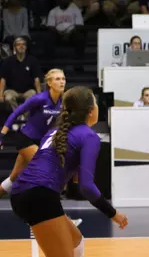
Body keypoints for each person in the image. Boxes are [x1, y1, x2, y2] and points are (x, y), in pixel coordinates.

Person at [10, 86, 128, 257]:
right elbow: (86, 187)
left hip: (24, 192)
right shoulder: (89, 136)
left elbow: (62, 168)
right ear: (90, 111)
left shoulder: (55, 131)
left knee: (76, 242)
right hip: (39, 195)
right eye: (95, 103)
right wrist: (113, 213)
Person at [0, 69, 65, 198]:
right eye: (57, 79)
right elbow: (16, 113)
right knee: (47, 171)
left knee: (13, 178)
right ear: (50, 83)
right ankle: (54, 216)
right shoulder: (40, 98)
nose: (62, 82)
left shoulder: (61, 102)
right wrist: (2, 136)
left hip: (40, 142)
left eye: (63, 79)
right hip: (26, 140)